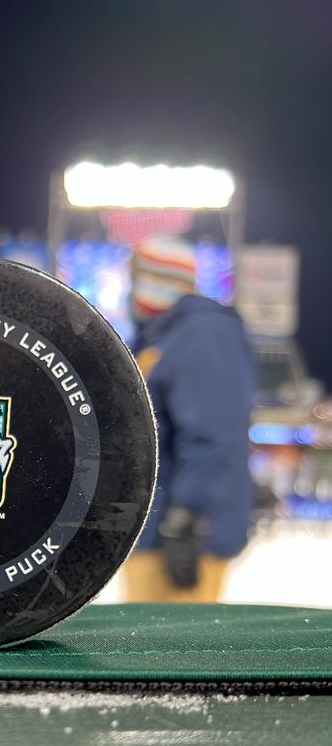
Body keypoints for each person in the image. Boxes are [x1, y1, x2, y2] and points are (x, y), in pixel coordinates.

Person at [123, 238, 254, 602]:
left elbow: (212, 435)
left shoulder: (204, 334)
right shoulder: (164, 336)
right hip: (151, 529)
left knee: (171, 653)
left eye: (136, 275)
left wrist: (188, 519)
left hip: (180, 535)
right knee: (144, 651)